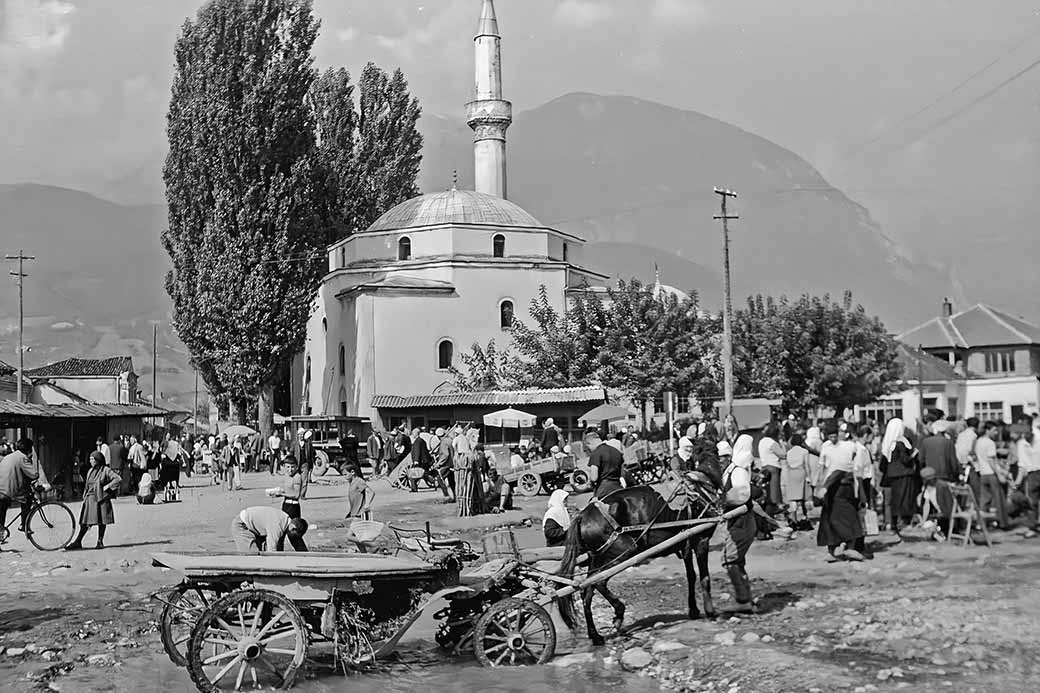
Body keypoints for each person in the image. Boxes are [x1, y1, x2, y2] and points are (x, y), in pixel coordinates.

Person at [817, 422, 866, 561]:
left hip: (845, 487)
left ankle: (850, 547)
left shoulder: (848, 446)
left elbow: (848, 467)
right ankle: (831, 551)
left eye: (835, 435)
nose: (833, 439)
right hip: (830, 489)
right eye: (830, 436)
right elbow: (823, 468)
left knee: (849, 517)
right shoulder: (825, 447)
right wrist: (820, 485)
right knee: (829, 519)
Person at [722, 433, 756, 612]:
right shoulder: (733, 470)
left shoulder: (738, 471)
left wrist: (722, 501)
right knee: (737, 560)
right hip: (736, 520)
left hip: (742, 520)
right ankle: (746, 596)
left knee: (729, 559)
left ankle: (743, 600)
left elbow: (743, 495)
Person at [66, 451, 121, 550]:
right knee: (85, 522)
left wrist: (107, 486)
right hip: (90, 499)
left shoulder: (105, 470)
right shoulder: (90, 471)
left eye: (92, 459)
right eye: (90, 459)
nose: (90, 461)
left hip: (101, 498)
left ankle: (100, 541)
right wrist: (85, 496)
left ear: (98, 460)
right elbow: (87, 485)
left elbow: (117, 479)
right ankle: (78, 541)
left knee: (101, 521)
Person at [0, 438, 50, 542]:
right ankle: (24, 524)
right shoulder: (22, 457)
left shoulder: (9, 456)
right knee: (27, 499)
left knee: (2, 515)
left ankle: (2, 533)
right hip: (6, 491)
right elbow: (33, 474)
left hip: (3, 488)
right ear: (28, 449)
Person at [879, 418, 917, 534]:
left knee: (894, 501)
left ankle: (892, 523)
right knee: (904, 501)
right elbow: (905, 460)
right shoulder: (900, 444)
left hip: (892, 476)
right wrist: (914, 454)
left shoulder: (888, 444)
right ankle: (903, 523)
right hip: (903, 475)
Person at [975, 421, 1010, 530]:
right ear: (988, 430)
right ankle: (1003, 523)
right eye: (994, 430)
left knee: (984, 501)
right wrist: (1000, 474)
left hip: (983, 473)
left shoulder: (978, 441)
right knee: (999, 499)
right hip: (991, 473)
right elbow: (991, 461)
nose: (996, 433)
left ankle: (981, 523)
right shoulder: (990, 443)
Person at [230, 506, 308, 553]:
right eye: (295, 536)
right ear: (293, 528)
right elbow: (271, 551)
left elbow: (283, 546)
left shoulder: (285, 522)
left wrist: (307, 557)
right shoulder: (277, 526)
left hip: (255, 528)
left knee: (262, 553)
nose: (293, 538)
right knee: (252, 556)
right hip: (242, 525)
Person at [1012, 423, 1040, 535]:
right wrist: (1018, 481)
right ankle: (1032, 527)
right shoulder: (1021, 444)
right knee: (1032, 502)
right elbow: (1022, 464)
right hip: (1031, 474)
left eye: (1026, 433)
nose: (1024, 435)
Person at [917, 466, 955, 541]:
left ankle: (941, 533)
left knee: (932, 526)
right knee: (925, 525)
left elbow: (950, 505)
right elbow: (927, 505)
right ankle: (937, 533)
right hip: (938, 515)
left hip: (946, 515)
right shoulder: (926, 487)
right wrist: (923, 520)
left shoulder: (942, 486)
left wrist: (941, 516)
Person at [783, 433, 811, 528]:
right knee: (802, 497)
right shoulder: (804, 451)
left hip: (791, 473)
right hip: (801, 473)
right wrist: (809, 477)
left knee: (793, 498)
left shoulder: (789, 452)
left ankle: (794, 519)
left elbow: (787, 465)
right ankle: (804, 517)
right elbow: (806, 465)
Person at [587, 431, 624, 499]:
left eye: (588, 448)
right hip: (618, 488)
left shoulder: (596, 453)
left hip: (603, 490)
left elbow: (594, 477)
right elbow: (622, 473)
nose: (589, 450)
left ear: (589, 443)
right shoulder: (616, 451)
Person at [757, 424, 785, 512]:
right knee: (775, 491)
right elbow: (783, 454)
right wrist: (781, 443)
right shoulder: (772, 442)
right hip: (773, 467)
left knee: (768, 490)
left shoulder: (762, 441)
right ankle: (776, 507)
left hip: (764, 466)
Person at [434, 427, 455, 501]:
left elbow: (445, 454)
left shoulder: (443, 442)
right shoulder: (450, 440)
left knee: (439, 478)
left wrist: (439, 463)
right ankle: (455, 496)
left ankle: (446, 496)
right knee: (452, 481)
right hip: (453, 463)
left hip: (446, 464)